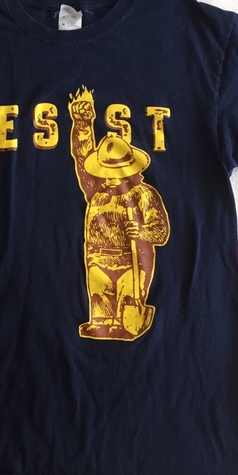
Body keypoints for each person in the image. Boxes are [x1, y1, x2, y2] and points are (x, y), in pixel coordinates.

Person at [69, 87, 170, 341]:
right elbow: (81, 158)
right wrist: (82, 124)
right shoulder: (96, 192)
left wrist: (143, 231)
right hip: (97, 259)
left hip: (131, 261)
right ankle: (102, 322)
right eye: (105, 170)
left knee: (127, 318)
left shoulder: (144, 194)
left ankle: (128, 323)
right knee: (101, 312)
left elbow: (161, 231)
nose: (111, 177)